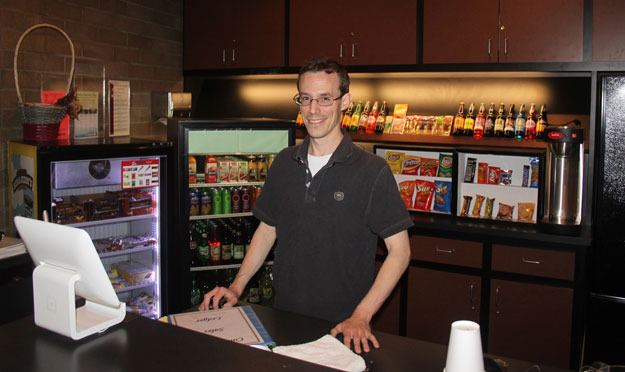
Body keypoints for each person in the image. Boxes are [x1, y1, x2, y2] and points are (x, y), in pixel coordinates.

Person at [200, 57, 413, 353]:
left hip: (343, 329)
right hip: (282, 319)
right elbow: (267, 229)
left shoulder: (372, 171)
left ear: (345, 101)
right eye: (306, 99)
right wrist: (237, 287)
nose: (313, 111)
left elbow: (400, 252)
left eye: (325, 99)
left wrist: (362, 316)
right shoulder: (284, 163)